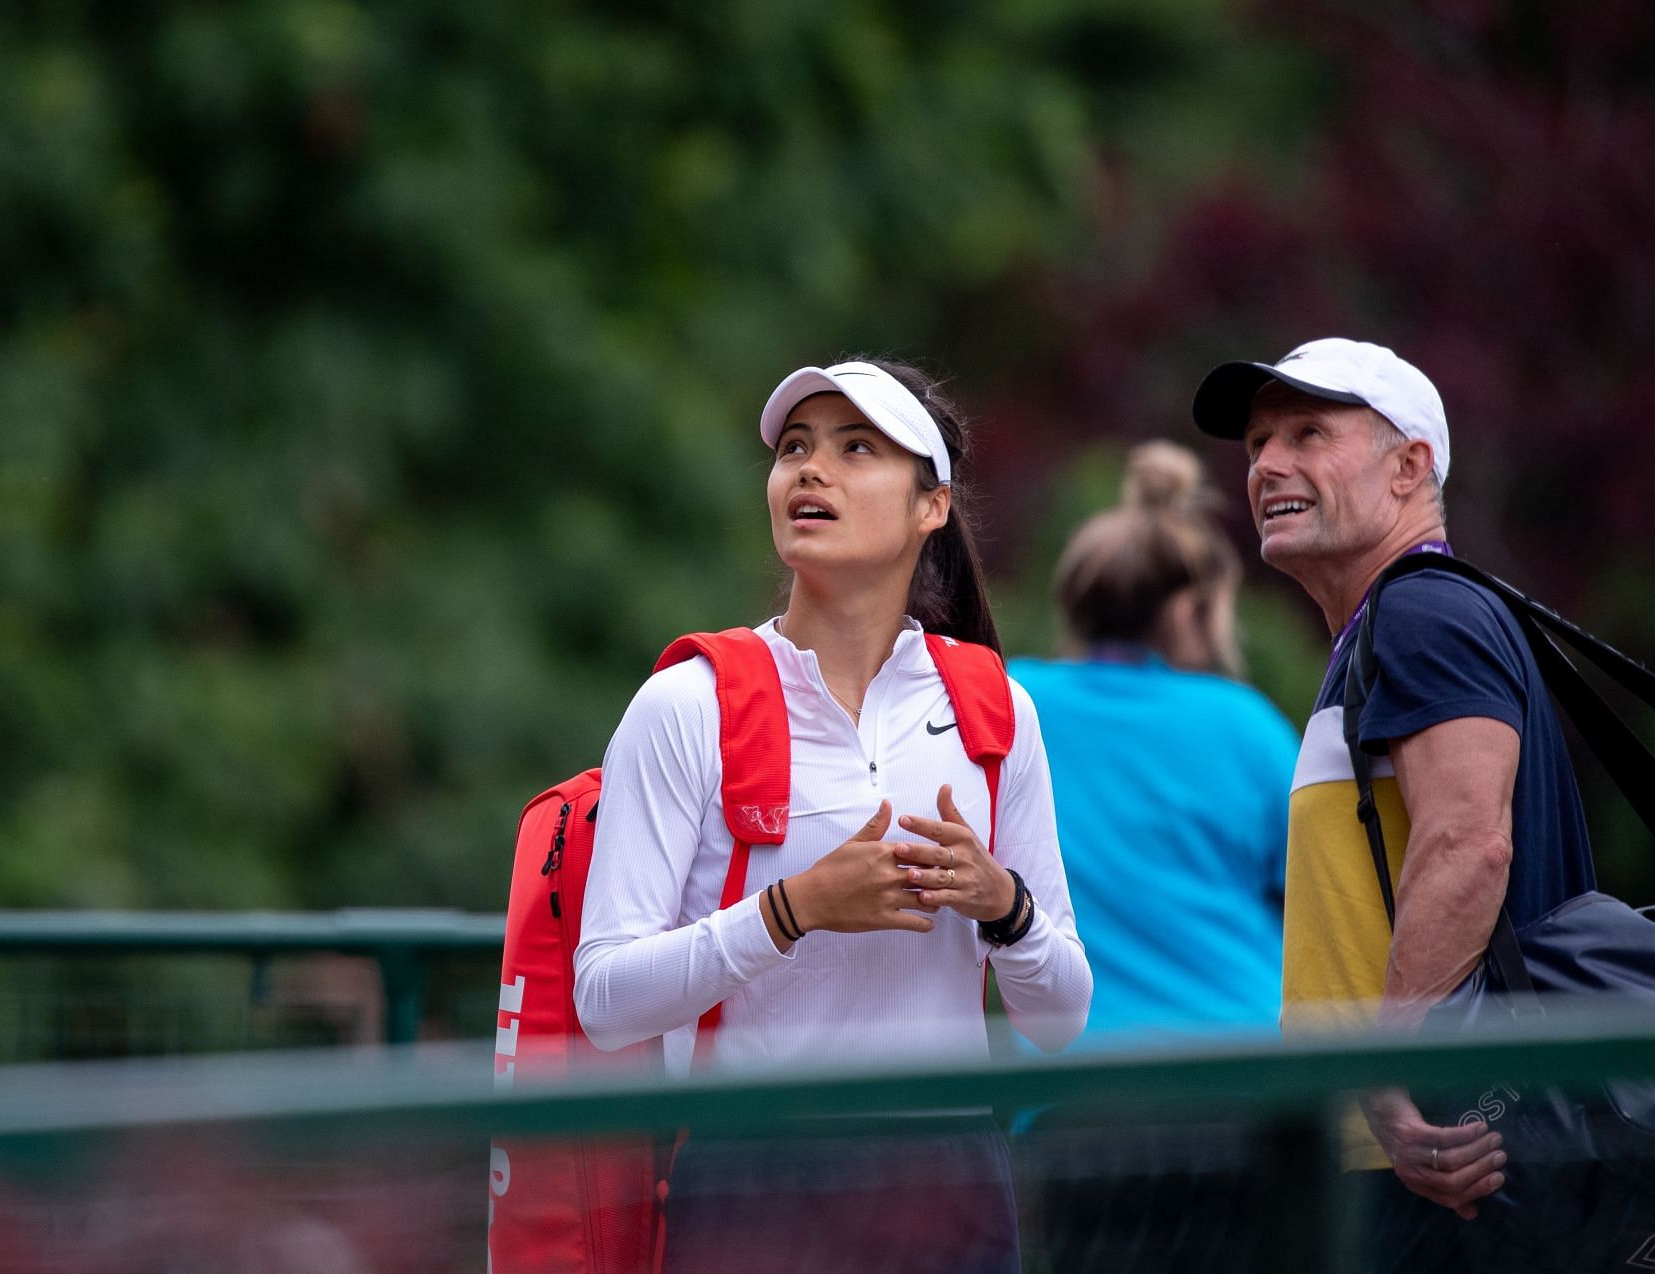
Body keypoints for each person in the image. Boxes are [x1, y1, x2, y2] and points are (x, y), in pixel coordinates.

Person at [574, 358, 1093, 1273]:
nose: (810, 470)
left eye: (857, 449)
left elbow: (1061, 1018)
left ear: (931, 506)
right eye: (795, 448)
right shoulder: (687, 702)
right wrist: (793, 910)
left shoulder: (997, 708)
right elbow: (606, 1001)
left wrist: (1001, 905)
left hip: (952, 1176)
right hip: (752, 1174)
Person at [1191, 337, 1595, 1270]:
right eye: (1256, 444)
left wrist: (1387, 1074)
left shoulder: (1423, 612)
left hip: (1442, 1153)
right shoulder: (1395, 625)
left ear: (1411, 466)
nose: (1267, 466)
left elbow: (1467, 845)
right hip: (1434, 1148)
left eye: (1308, 434)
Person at [1007, 442, 1296, 1274]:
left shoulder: (1014, 711)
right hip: (1246, 1094)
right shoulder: (1245, 725)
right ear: (1193, 614)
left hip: (1076, 1107)